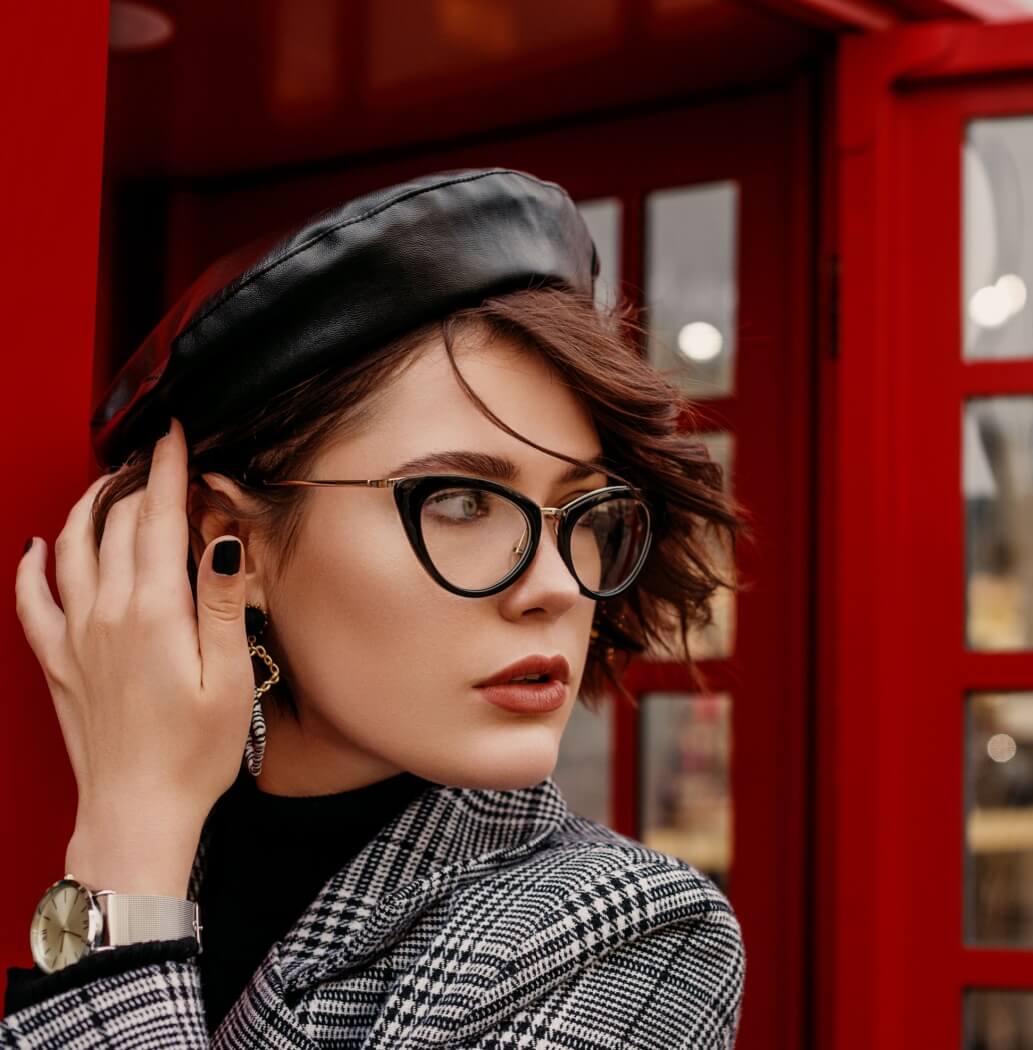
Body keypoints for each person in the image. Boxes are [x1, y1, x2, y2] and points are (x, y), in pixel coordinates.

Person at [2, 168, 750, 1048]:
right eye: (462, 502)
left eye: (583, 511)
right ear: (226, 546)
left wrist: (129, 856)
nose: (557, 584)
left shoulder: (632, 933)